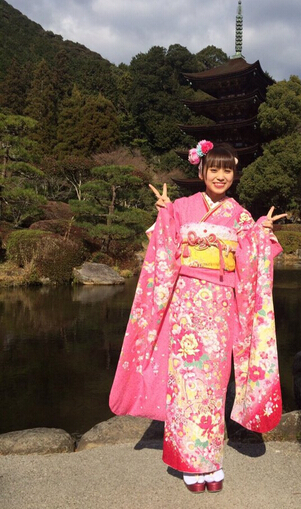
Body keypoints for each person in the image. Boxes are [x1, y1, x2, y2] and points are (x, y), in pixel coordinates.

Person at [109, 141, 285, 493]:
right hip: (186, 305)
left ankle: (211, 461)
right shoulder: (181, 207)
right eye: (214, 169)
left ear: (234, 174)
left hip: (220, 308)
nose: (220, 176)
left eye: (227, 170)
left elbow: (250, 257)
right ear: (201, 171)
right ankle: (190, 464)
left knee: (214, 387)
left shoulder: (239, 215)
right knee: (186, 385)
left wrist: (262, 233)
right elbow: (165, 246)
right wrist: (164, 214)